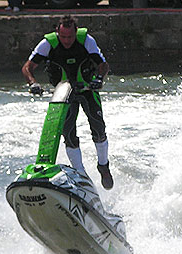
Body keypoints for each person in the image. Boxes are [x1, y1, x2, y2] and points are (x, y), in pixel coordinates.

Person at [22, 15, 114, 190]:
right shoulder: (47, 44)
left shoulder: (86, 40)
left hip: (87, 89)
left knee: (98, 128)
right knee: (69, 134)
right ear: (57, 32)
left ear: (76, 32)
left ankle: (104, 167)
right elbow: (27, 67)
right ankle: (80, 174)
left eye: (70, 37)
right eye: (63, 37)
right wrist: (33, 83)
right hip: (63, 94)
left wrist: (99, 78)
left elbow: (103, 65)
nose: (67, 41)